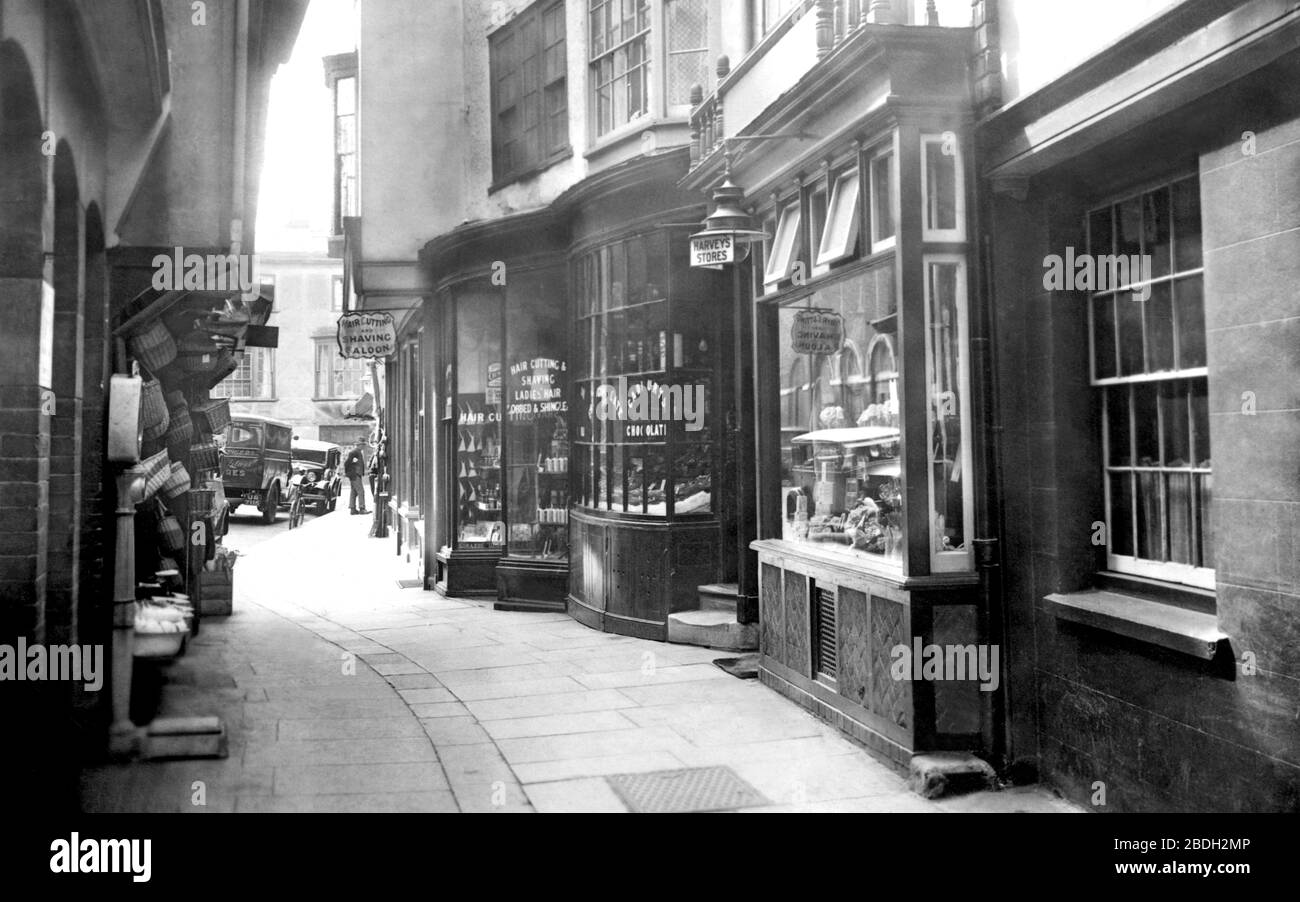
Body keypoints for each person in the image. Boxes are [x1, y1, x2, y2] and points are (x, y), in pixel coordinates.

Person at [344, 441, 369, 515]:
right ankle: (362, 508)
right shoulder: (354, 452)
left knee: (354, 492)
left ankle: (353, 509)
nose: (363, 446)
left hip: (355, 474)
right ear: (359, 445)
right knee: (361, 491)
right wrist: (350, 473)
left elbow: (352, 463)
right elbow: (347, 463)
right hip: (355, 475)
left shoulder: (357, 452)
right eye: (363, 445)